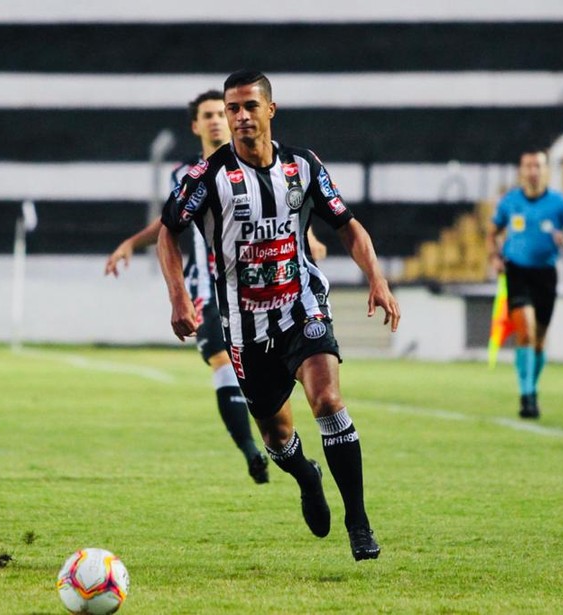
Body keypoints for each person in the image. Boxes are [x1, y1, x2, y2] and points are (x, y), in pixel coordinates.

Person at [158, 70, 400, 561]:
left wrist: (376, 277)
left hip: (302, 306)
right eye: (233, 109)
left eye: (250, 106)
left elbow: (347, 225)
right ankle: (307, 477)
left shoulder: (303, 166)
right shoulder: (206, 180)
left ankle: (358, 519)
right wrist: (179, 297)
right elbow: (169, 232)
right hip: (246, 327)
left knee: (328, 400)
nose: (241, 117)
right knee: (277, 435)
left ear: (270, 110)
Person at [106, 90, 327, 485]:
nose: (213, 121)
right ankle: (251, 453)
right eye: (205, 115)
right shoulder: (188, 175)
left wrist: (307, 239)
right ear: (195, 125)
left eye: (217, 114)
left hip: (271, 295)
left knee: (283, 396)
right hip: (207, 292)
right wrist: (132, 243)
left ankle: (288, 452)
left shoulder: (263, 164)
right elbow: (169, 223)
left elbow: (280, 206)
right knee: (222, 364)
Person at [486, 149, 563, 419]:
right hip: (517, 272)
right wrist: (495, 256)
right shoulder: (509, 202)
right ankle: (527, 396)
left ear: (546, 170)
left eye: (538, 166)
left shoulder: (560, 202)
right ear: (521, 170)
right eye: (528, 166)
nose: (533, 171)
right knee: (526, 331)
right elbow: (492, 231)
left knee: (539, 340)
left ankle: (533, 385)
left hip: (546, 274)